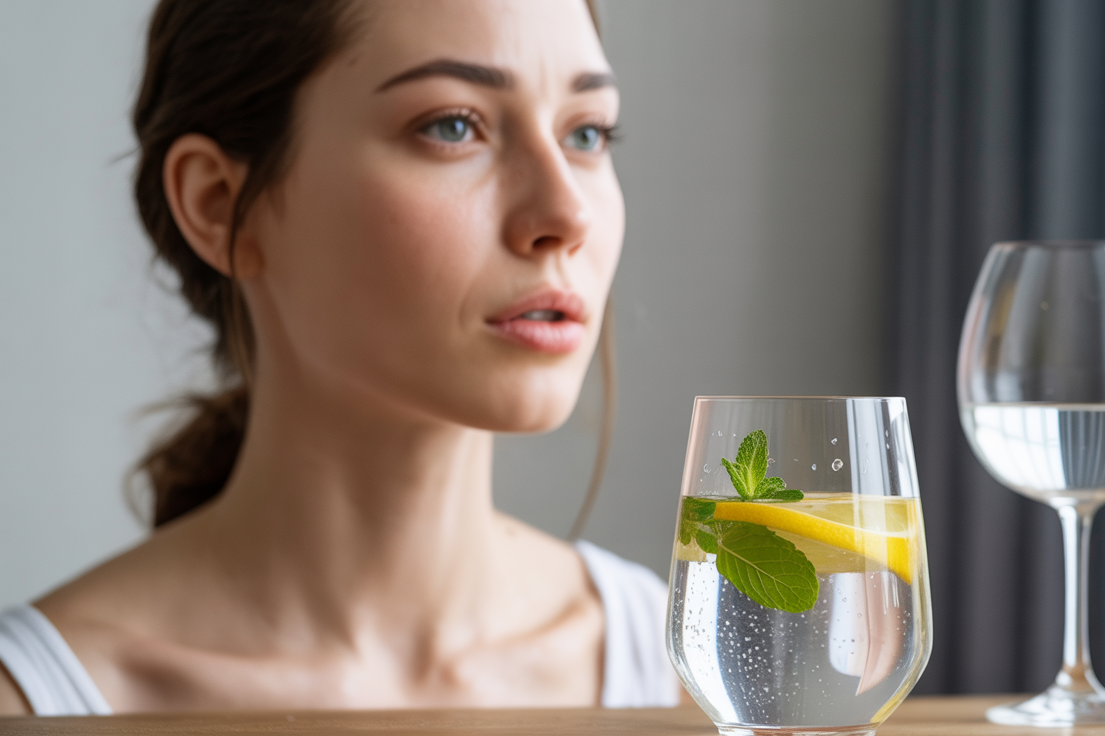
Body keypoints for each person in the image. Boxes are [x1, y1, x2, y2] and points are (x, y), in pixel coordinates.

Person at [0, 0, 679, 715]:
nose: (568, 214)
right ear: (219, 204)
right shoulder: (36, 705)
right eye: (452, 126)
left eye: (588, 132)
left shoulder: (688, 675)